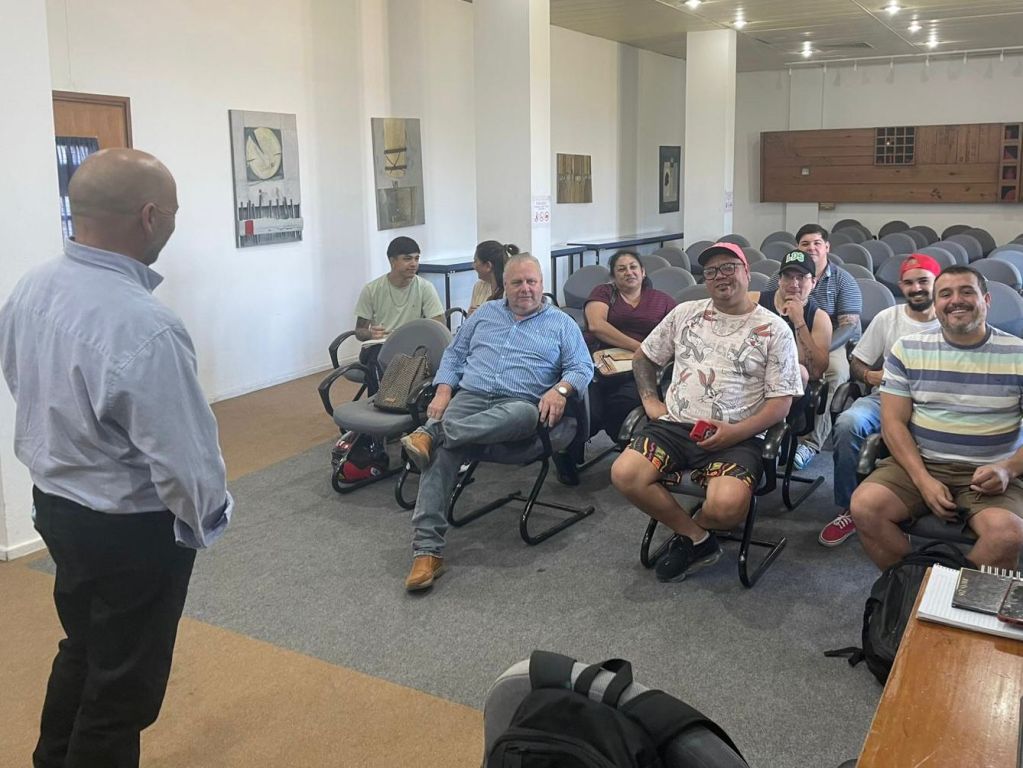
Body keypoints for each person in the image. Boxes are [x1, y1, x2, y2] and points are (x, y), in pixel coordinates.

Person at [0, 148, 232, 768]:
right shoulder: (145, 325)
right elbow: (185, 460)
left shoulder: (30, 288)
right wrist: (205, 520)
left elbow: (24, 384)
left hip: (55, 508)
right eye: (174, 211)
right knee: (122, 690)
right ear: (150, 216)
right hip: (131, 529)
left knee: (83, 647)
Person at [610, 243, 802, 583]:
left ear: (747, 272)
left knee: (727, 507)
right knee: (624, 474)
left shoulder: (774, 329)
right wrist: (650, 401)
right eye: (711, 272)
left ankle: (692, 532)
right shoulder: (685, 313)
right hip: (675, 427)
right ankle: (698, 539)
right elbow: (643, 358)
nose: (720, 276)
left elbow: (781, 404)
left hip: (738, 436)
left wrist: (736, 432)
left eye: (728, 267)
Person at [399, 254, 593, 591]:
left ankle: (434, 432)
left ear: (542, 284)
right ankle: (427, 552)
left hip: (518, 406)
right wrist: (443, 391)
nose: (525, 289)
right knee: (441, 454)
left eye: (532, 282)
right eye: (517, 282)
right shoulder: (485, 314)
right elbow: (454, 354)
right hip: (470, 398)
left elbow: (582, 367)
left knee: (523, 415)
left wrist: (560, 390)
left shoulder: (561, 323)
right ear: (505, 286)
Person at [851, 266, 1023, 570]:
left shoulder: (1017, 354)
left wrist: (1008, 469)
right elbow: (893, 423)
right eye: (945, 294)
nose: (956, 300)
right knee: (865, 507)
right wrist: (923, 480)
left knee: (1007, 534)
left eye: (966, 291)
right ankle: (913, 585)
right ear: (936, 303)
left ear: (986, 300)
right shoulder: (908, 349)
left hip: (991, 470)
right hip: (922, 462)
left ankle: (948, 595)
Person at [821, 254, 941, 548]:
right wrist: (869, 376)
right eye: (909, 283)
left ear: (938, 282)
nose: (916, 288)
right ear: (901, 285)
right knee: (848, 423)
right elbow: (857, 363)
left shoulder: (950, 319)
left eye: (923, 281)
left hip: (935, 402)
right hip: (885, 396)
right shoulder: (888, 318)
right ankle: (849, 507)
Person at [766, 224, 862, 470]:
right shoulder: (778, 278)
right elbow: (767, 309)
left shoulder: (843, 280)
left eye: (817, 243)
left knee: (834, 372)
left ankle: (811, 442)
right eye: (805, 244)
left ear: (827, 247)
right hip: (784, 336)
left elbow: (848, 326)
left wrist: (823, 348)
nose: (811, 248)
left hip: (834, 340)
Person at [584, 249, 676, 441]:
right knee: (585, 407)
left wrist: (646, 355)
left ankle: (623, 441)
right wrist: (640, 348)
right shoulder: (604, 292)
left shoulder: (662, 300)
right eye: (621, 269)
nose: (629, 272)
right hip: (600, 364)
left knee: (622, 402)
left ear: (643, 272)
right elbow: (596, 325)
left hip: (639, 369)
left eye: (633, 267)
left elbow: (676, 334)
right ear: (613, 276)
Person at [353, 236, 445, 392]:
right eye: (407, 259)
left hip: (413, 345)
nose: (414, 264)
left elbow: (439, 326)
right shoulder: (372, 289)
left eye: (416, 258)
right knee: (376, 358)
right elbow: (359, 332)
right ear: (392, 261)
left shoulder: (425, 287)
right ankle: (378, 401)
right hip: (381, 346)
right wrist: (370, 334)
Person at [752, 249, 831, 388]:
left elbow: (815, 372)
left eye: (801, 277)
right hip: (752, 377)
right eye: (788, 277)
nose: (794, 284)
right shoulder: (754, 301)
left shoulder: (819, 318)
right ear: (779, 280)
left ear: (813, 282)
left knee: (801, 372)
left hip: (791, 388)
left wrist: (799, 322)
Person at [468, 240, 518, 314]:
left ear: (488, 266)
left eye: (475, 261)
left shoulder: (510, 290)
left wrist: (482, 314)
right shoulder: (479, 286)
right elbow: (471, 318)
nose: (473, 266)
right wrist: (470, 316)